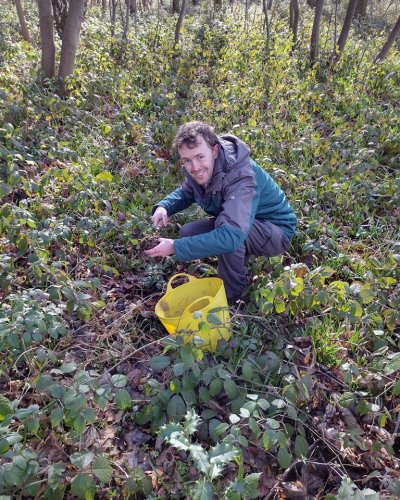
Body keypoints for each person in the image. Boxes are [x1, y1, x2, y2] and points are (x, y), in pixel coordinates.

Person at [145, 121, 297, 305]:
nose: (194, 167)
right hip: (246, 220)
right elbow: (187, 191)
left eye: (200, 157)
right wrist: (164, 206)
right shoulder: (202, 169)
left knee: (227, 235)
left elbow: (231, 235)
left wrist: (175, 247)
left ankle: (231, 298)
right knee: (188, 233)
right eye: (187, 160)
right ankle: (237, 261)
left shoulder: (242, 177)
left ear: (215, 151)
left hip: (276, 231)